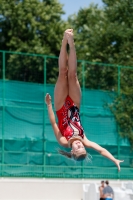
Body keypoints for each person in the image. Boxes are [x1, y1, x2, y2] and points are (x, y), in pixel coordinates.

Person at [45, 29, 123, 169]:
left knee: (63, 73)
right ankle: (71, 42)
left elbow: (53, 124)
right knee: (73, 75)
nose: (80, 145)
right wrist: (114, 160)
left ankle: (64, 40)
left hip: (60, 105)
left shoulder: (64, 141)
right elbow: (100, 150)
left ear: (73, 151)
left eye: (78, 147)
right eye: (82, 147)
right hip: (75, 104)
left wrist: (49, 105)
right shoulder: (85, 140)